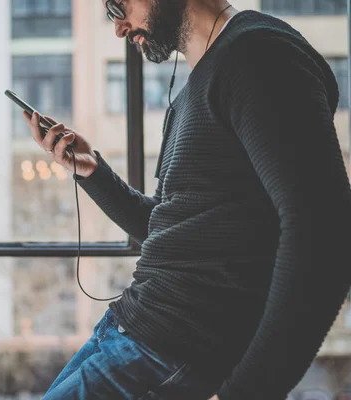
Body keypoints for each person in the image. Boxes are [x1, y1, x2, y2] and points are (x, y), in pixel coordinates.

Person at [23, 0, 351, 399]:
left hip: (170, 355)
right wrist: (93, 173)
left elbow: (324, 236)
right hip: (133, 334)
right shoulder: (201, 81)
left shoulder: (259, 55)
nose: (119, 27)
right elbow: (169, 229)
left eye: (118, 5)